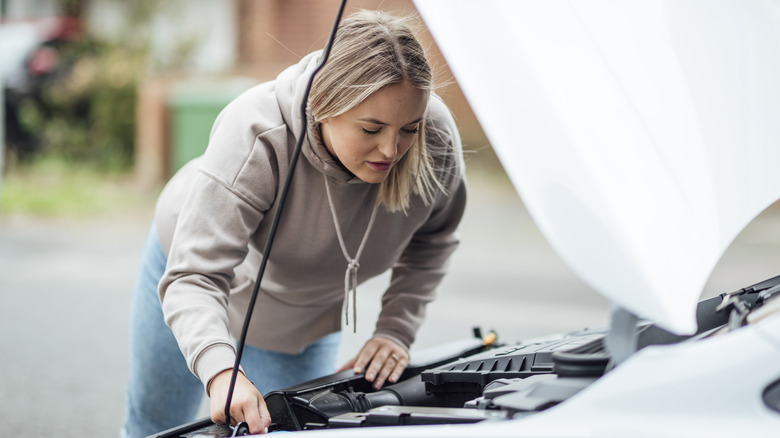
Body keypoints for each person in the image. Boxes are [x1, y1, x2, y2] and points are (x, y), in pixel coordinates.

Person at [121, 9, 466, 437]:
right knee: (157, 423)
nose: (392, 148)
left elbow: (435, 239)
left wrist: (396, 330)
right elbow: (196, 276)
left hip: (301, 314)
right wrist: (220, 372)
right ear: (324, 104)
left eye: (408, 128)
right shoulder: (256, 131)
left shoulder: (435, 139)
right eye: (371, 128)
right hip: (189, 270)